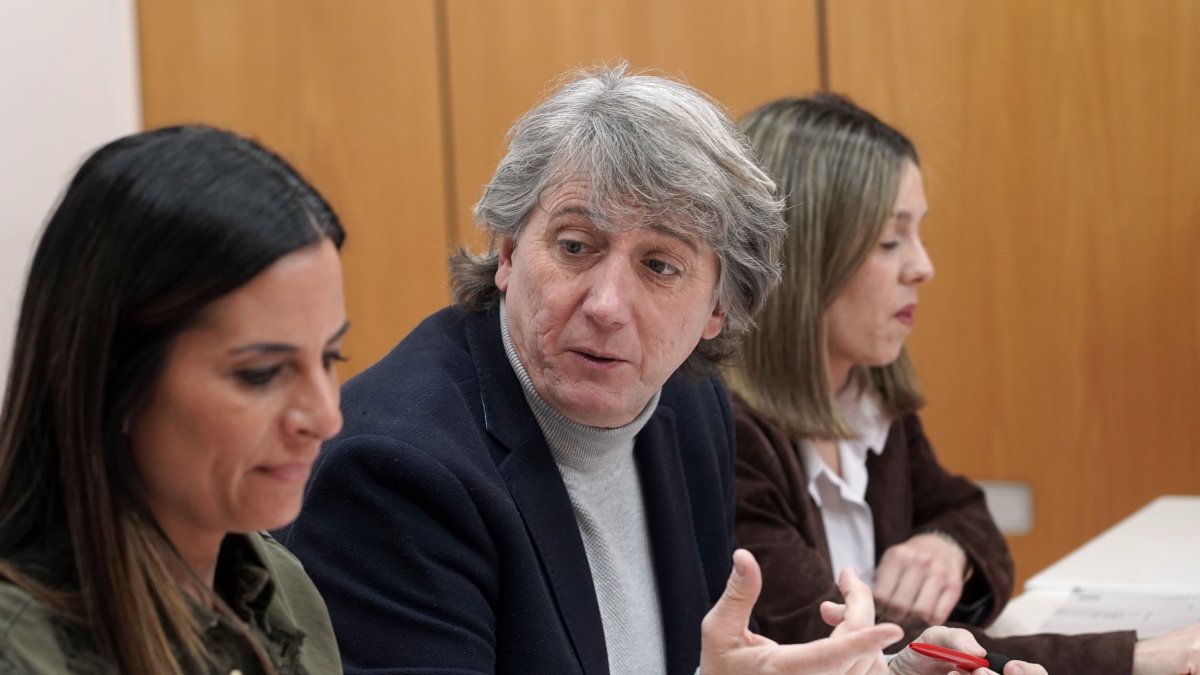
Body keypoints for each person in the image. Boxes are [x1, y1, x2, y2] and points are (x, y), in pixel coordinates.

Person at [281, 65, 1045, 675]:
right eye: (576, 246)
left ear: (719, 307)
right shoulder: (398, 472)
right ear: (509, 252)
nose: (607, 303)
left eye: (660, 265)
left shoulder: (691, 409)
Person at [728, 93, 1200, 674]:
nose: (923, 266)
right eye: (890, 240)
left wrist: (946, 544)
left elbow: (968, 513)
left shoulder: (864, 395)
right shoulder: (726, 438)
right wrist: (1132, 658)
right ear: (801, 257)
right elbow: (851, 652)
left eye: (918, 234)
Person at [0, 126, 348, 674]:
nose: (326, 417)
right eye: (260, 374)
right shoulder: (22, 650)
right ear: (114, 379)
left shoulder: (282, 583)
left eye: (330, 358)